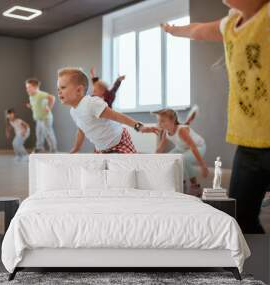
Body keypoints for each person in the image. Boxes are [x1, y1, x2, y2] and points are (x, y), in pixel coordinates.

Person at [161, 0, 270, 233]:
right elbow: (197, 31)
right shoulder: (229, 24)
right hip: (248, 140)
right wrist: (174, 30)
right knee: (240, 218)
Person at [57, 67, 158, 154]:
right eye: (58, 89)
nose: (59, 91)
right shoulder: (73, 112)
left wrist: (139, 127)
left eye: (63, 87)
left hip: (118, 142)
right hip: (101, 149)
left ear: (79, 90)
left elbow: (117, 116)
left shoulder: (91, 103)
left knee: (128, 168)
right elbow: (81, 130)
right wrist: (76, 148)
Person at [155, 107, 208, 196]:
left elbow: (193, 147)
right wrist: (152, 161)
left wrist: (203, 166)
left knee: (182, 159)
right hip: (182, 148)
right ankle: (180, 183)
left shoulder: (181, 130)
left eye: (163, 121)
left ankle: (195, 186)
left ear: (172, 120)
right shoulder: (166, 132)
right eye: (159, 121)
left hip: (199, 147)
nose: (159, 123)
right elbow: (160, 148)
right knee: (168, 158)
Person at [25, 78, 58, 153]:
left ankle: (53, 149)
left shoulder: (40, 94)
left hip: (45, 118)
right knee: (39, 134)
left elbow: (52, 98)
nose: (27, 89)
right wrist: (30, 106)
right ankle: (39, 148)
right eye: (26, 87)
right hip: (39, 119)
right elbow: (35, 104)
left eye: (29, 87)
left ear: (36, 87)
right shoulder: (31, 96)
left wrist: (49, 107)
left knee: (48, 133)